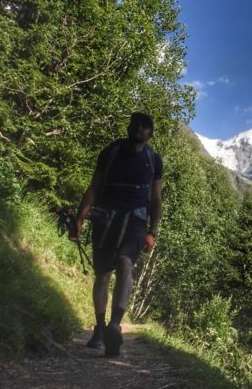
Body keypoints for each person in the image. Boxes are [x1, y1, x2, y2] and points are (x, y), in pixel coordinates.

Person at [71, 112, 163, 357]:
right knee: (102, 275)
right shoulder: (110, 153)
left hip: (135, 221)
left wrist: (152, 231)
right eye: (136, 126)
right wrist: (80, 219)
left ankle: (115, 324)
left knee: (125, 263)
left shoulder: (154, 160)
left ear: (150, 134)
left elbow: (156, 199)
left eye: (144, 128)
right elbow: (94, 188)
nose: (139, 131)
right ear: (129, 127)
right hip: (105, 219)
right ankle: (100, 329)